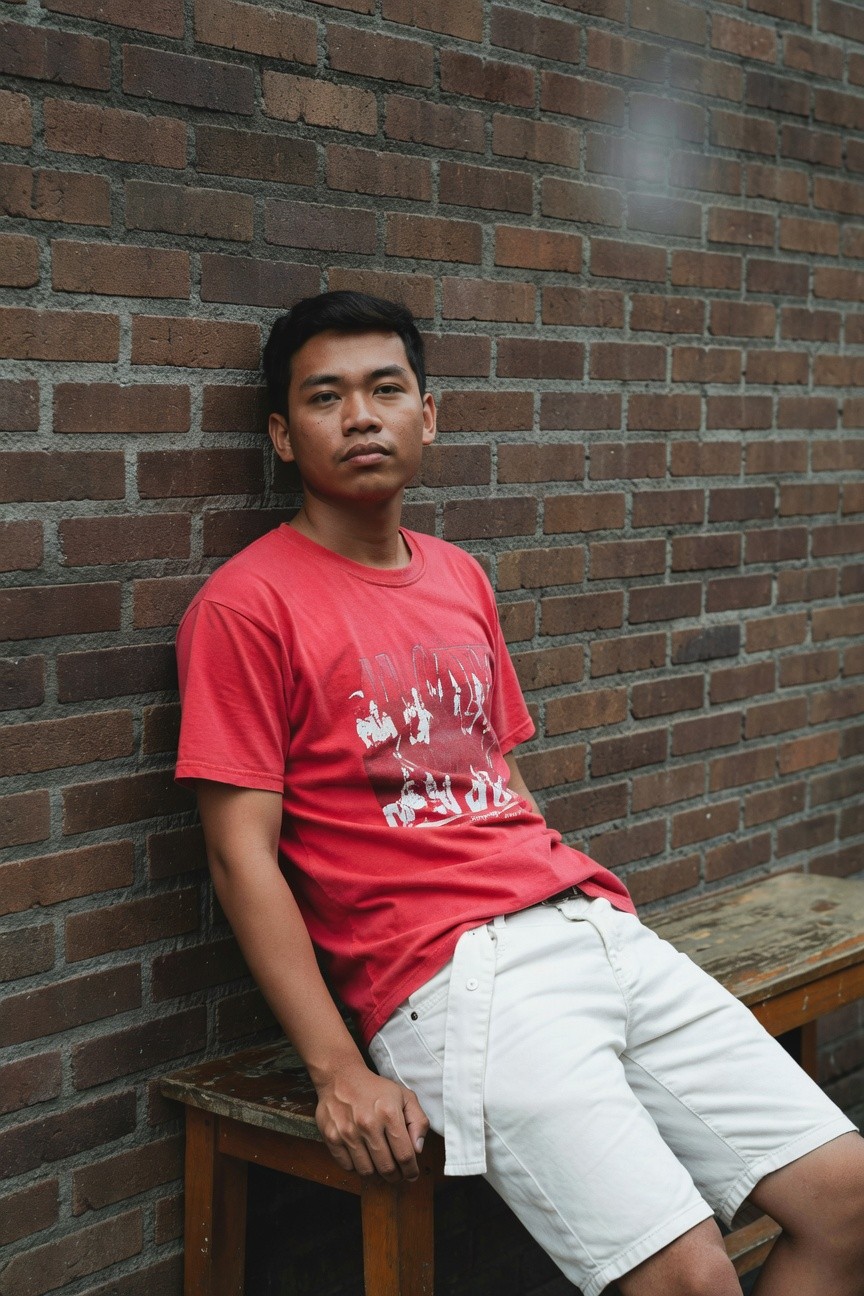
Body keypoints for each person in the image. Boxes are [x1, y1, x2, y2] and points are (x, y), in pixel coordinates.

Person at [176, 291, 864, 1296]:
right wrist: (337, 1068)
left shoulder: (459, 576)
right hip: (451, 982)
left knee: (846, 1204)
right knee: (692, 1279)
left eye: (385, 389)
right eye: (326, 398)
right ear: (284, 434)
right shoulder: (246, 606)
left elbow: (497, 775)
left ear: (428, 415)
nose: (361, 416)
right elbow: (240, 856)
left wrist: (580, 899)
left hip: (593, 930)